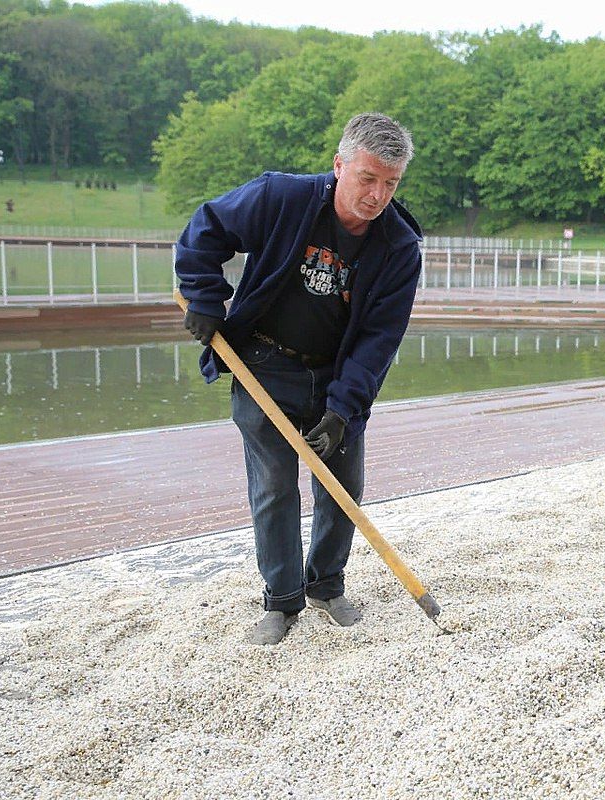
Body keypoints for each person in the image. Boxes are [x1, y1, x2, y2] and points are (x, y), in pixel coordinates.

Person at [174, 113, 422, 645]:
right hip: (264, 366)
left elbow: (380, 339)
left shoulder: (399, 247)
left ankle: (326, 585)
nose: (377, 195)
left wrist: (343, 410)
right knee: (273, 486)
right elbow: (205, 229)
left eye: (391, 183)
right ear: (339, 166)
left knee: (342, 488)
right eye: (367, 178)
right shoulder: (280, 198)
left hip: (336, 372)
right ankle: (281, 600)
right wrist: (203, 296)